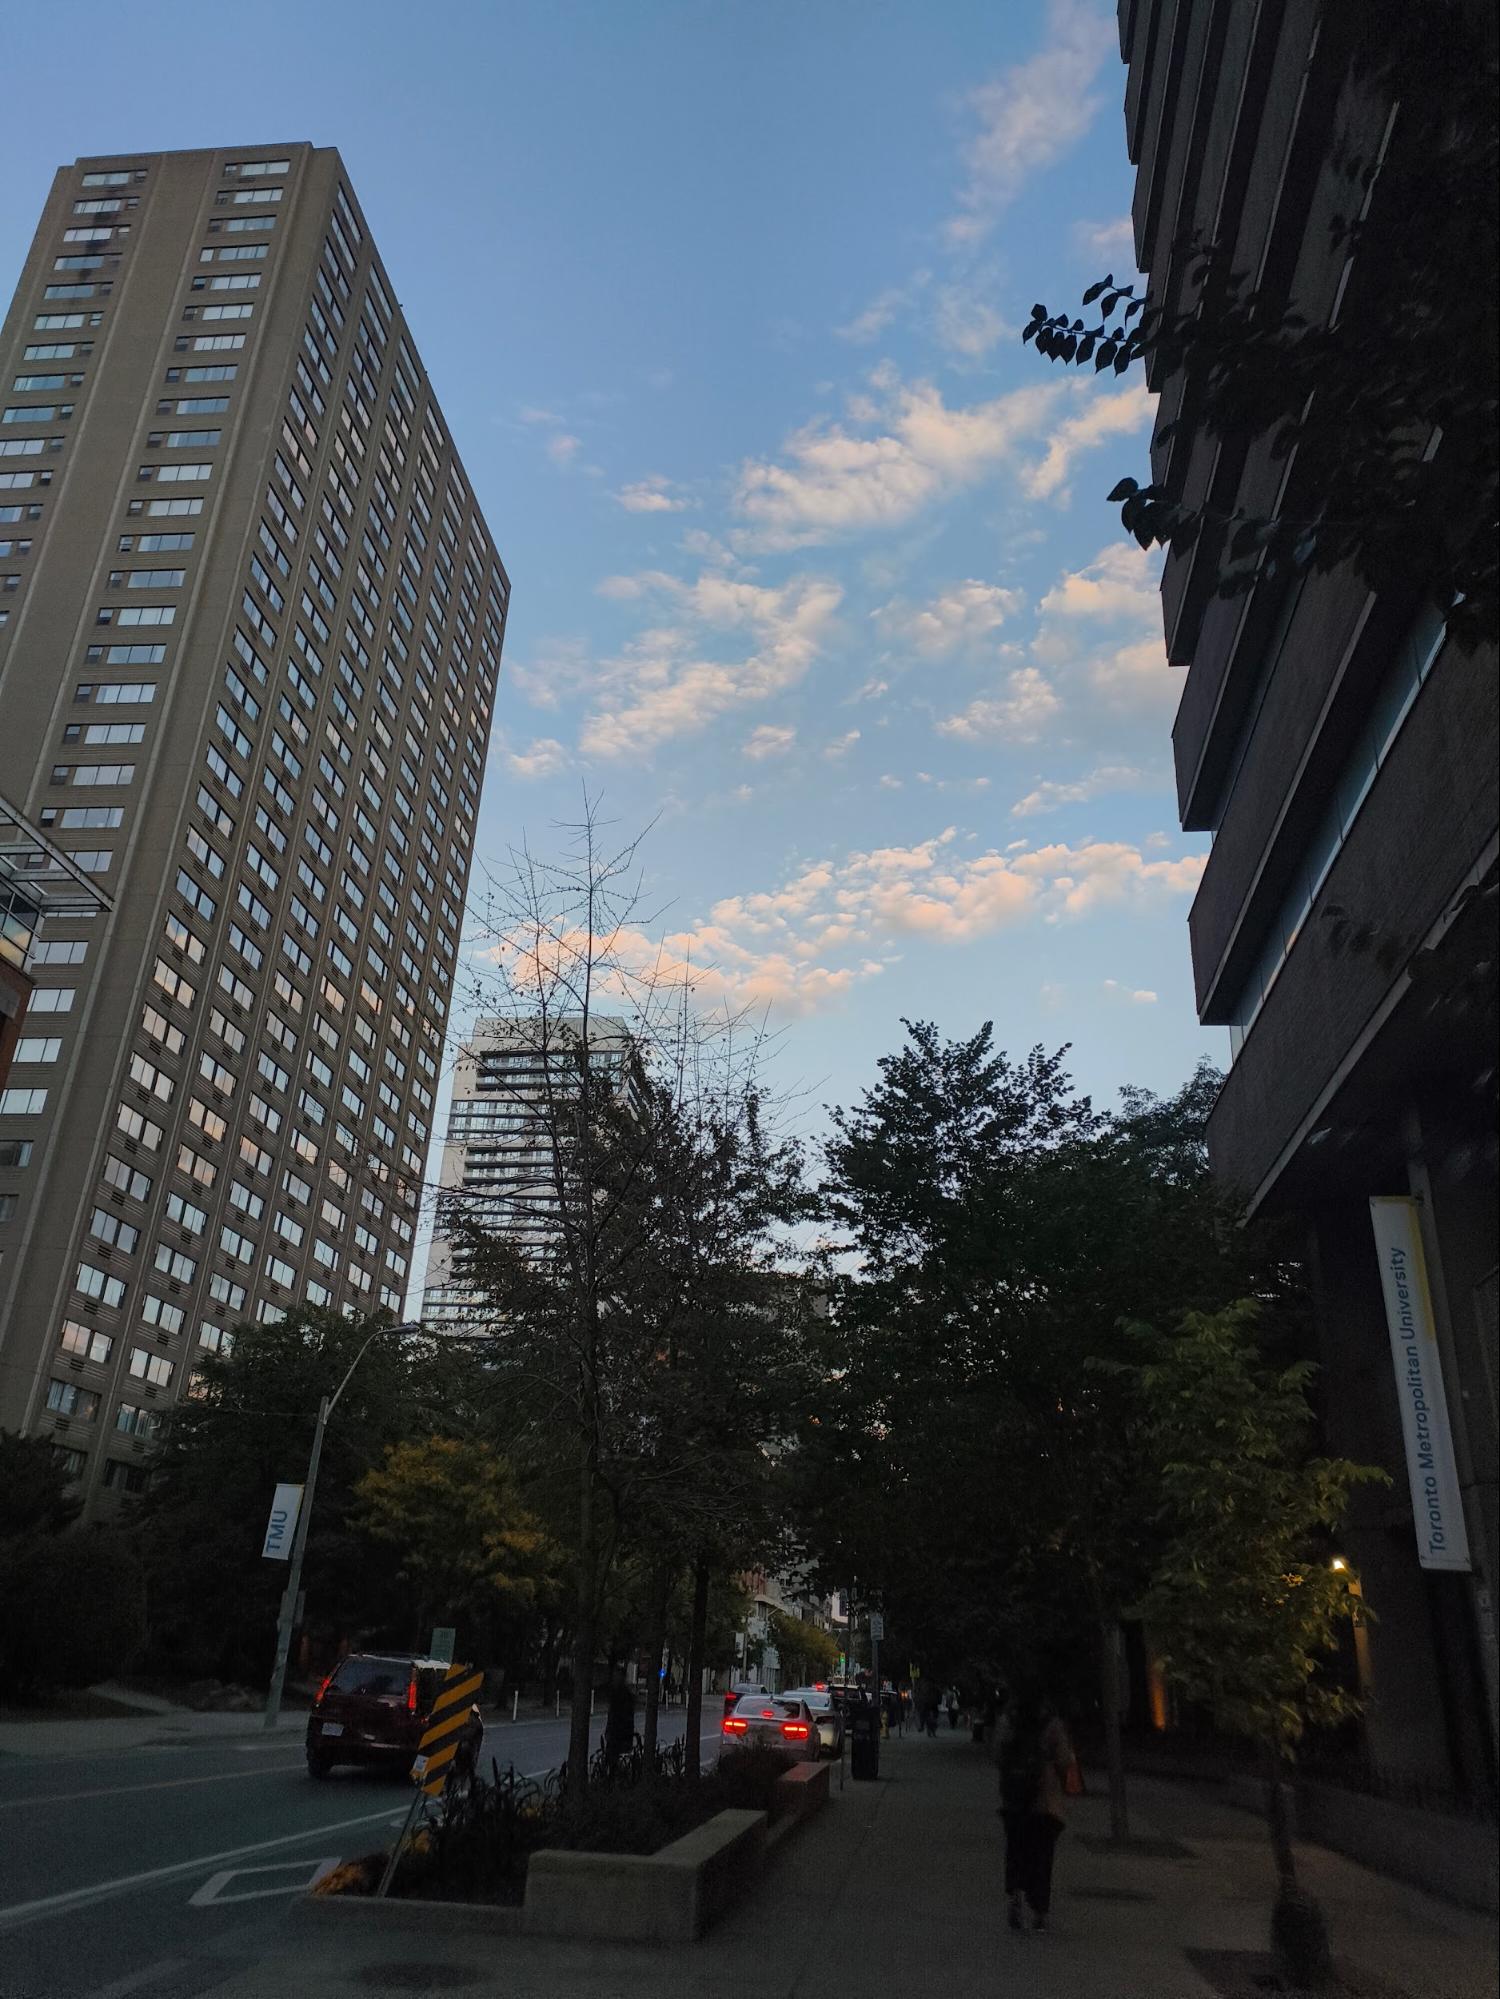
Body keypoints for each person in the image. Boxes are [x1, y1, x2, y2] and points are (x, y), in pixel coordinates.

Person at [995, 1679, 1074, 1935]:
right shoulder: (1052, 1724)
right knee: (1042, 1856)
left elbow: (998, 1753)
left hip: (1015, 1797)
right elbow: (1064, 1760)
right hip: (1045, 1800)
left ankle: (1015, 1896)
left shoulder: (1010, 1719)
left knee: (1016, 1850)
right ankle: (1040, 1911)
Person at [602, 1668, 636, 1780]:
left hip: (618, 1734)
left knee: (612, 1759)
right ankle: (616, 1778)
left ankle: (613, 1780)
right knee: (613, 1760)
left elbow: (617, 1716)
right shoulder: (623, 1694)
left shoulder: (621, 1695)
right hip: (618, 1733)